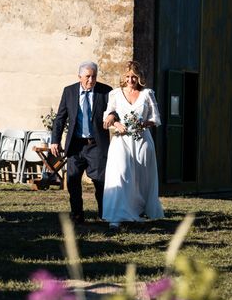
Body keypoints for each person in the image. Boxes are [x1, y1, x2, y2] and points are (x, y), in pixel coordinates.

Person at [50, 62, 115, 224]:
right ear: (79, 77)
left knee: (100, 182)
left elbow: (115, 111)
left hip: (96, 145)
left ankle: (103, 214)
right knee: (72, 181)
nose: (91, 80)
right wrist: (55, 141)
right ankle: (77, 214)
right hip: (76, 145)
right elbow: (60, 118)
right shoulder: (69, 91)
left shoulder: (105, 91)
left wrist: (112, 116)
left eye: (94, 76)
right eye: (87, 76)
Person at [102, 61, 164, 229]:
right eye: (127, 77)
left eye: (134, 77)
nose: (130, 80)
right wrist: (116, 124)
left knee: (140, 178)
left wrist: (143, 124)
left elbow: (156, 119)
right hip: (121, 140)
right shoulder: (115, 94)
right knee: (121, 173)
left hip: (142, 140)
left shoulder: (147, 94)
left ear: (139, 78)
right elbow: (107, 117)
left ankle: (137, 210)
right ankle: (117, 215)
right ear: (123, 77)